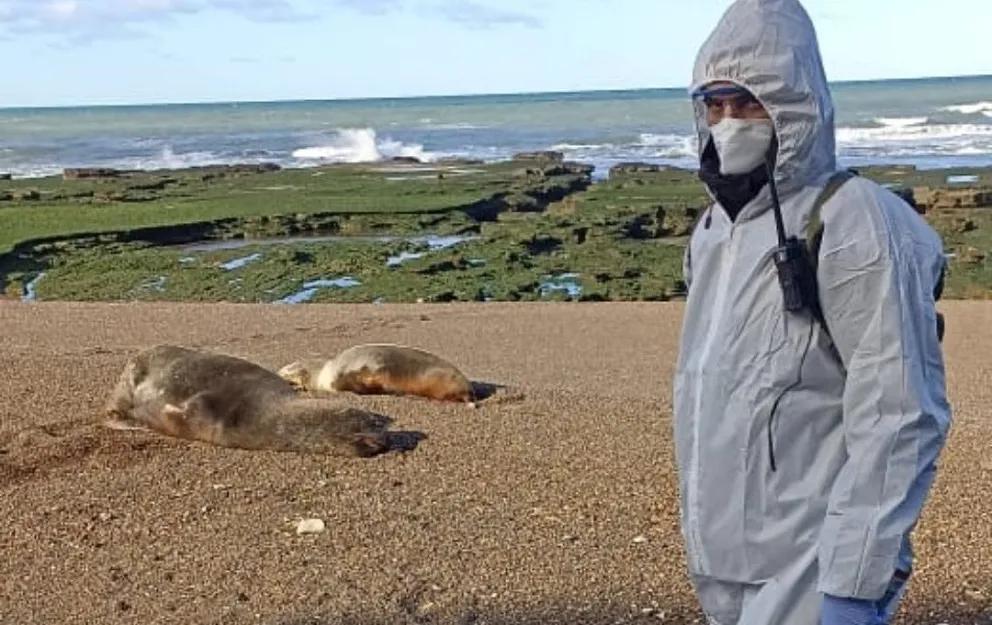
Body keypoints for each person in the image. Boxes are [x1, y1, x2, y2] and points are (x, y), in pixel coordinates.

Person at [671, 1, 952, 624]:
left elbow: (900, 412)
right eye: (715, 104)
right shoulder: (715, 230)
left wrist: (854, 580)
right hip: (722, 558)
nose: (728, 122)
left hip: (816, 561)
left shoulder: (857, 223)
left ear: (793, 105)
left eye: (748, 104)